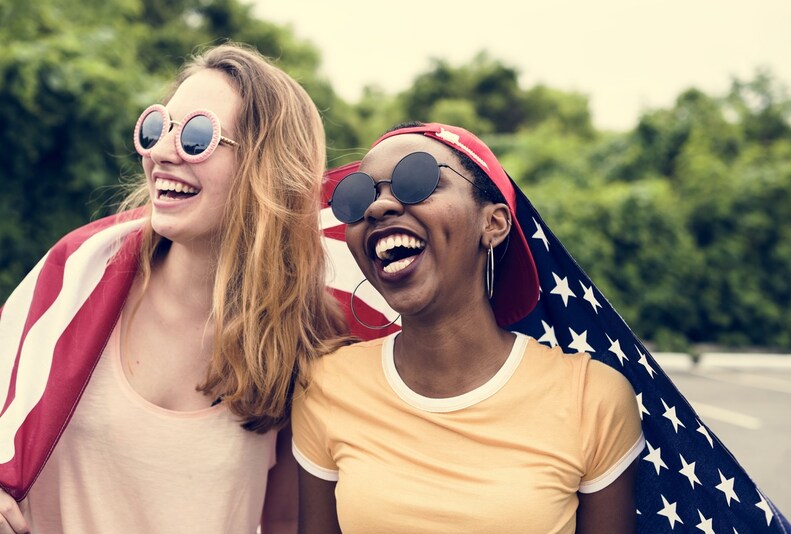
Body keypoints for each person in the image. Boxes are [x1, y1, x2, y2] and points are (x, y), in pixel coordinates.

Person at [0, 43, 350, 533]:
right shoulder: (71, 285)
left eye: (197, 136)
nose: (161, 153)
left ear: (265, 169)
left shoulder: (300, 338)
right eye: (156, 127)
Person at [291, 122, 645, 533]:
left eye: (416, 179)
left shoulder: (593, 396)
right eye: (357, 197)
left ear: (493, 223)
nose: (377, 207)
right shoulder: (327, 385)